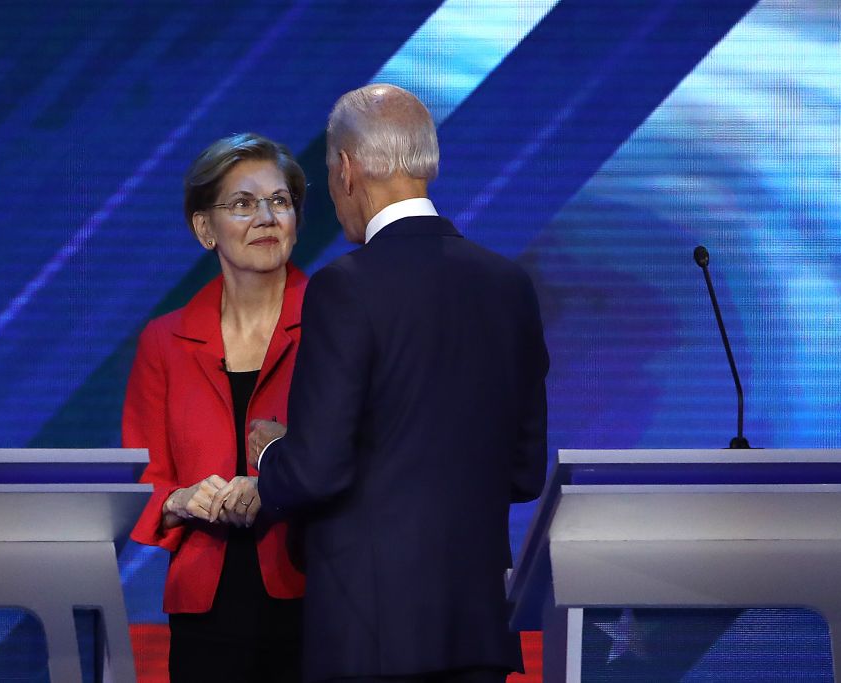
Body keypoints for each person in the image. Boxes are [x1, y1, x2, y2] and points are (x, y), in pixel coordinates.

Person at [242, 84, 549, 683]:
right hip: (477, 632)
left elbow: (317, 469)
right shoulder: (508, 285)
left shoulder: (345, 287)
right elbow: (524, 470)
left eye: (329, 174)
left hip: (372, 639)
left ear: (348, 170)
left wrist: (275, 452)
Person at [125, 133, 307, 682]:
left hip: (318, 593)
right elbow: (143, 481)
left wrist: (274, 486)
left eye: (280, 201)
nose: (267, 217)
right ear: (205, 228)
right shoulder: (164, 341)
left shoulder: (338, 322)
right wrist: (181, 499)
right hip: (206, 608)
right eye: (243, 203)